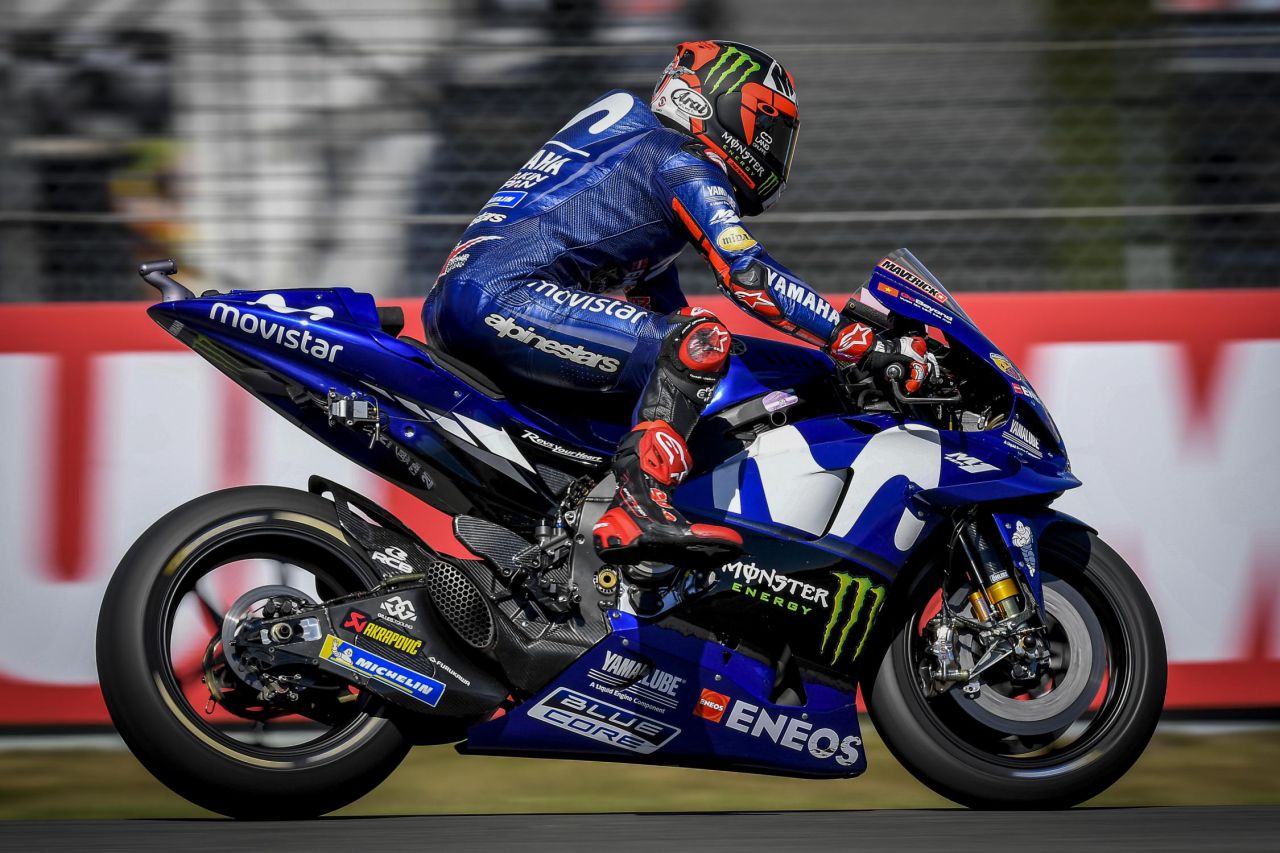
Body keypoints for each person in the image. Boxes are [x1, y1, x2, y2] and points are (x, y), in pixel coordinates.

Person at [422, 40, 934, 583]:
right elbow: (749, 276)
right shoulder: (678, 158)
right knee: (699, 339)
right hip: (506, 298)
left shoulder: (632, 175)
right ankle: (641, 505)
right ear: (717, 103)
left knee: (693, 351)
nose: (774, 146)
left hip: (475, 299)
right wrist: (858, 341)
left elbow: (665, 319)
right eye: (768, 125)